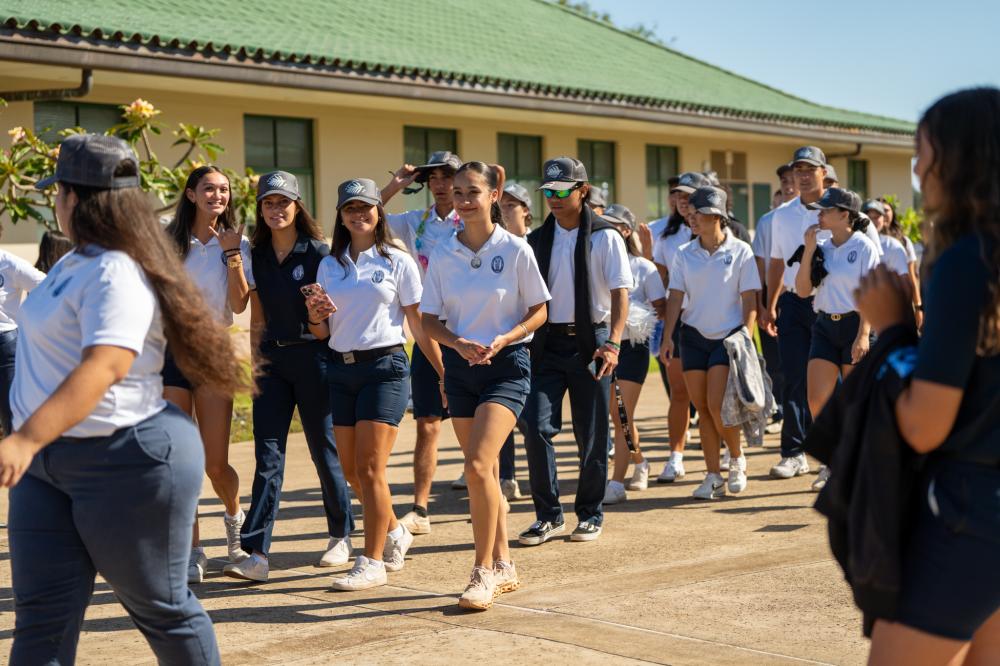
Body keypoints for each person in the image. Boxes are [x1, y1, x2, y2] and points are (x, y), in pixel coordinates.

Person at [4, 133, 233, 664]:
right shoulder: (72, 264)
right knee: (40, 616)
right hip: (46, 468)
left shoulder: (118, 270)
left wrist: (23, 439)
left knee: (162, 608)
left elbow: (106, 365)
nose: (54, 202)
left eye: (57, 192)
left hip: (126, 458)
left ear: (76, 199)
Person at [857, 87, 1000, 666]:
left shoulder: (969, 261)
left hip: (972, 514)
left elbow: (924, 425)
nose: (916, 169)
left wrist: (891, 329)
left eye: (923, 151)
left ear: (960, 157)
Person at [421, 161, 550, 609]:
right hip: (461, 370)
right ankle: (505, 563)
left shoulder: (516, 249)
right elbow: (428, 320)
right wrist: (456, 344)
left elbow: (540, 310)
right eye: (457, 192)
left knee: (477, 466)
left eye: (472, 191)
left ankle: (481, 572)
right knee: (485, 472)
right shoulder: (443, 253)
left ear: (494, 195)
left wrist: (508, 337)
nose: (463, 200)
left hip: (507, 366)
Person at [223, 171, 355, 583]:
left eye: (283, 202)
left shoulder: (318, 253)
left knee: (324, 450)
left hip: (315, 359)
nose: (276, 209)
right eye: (268, 202)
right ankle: (257, 553)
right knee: (268, 456)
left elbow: (330, 315)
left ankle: (341, 534)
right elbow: (252, 312)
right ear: (260, 209)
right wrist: (255, 365)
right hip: (271, 362)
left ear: (298, 206)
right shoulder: (257, 254)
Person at [304, 178, 429, 590]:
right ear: (340, 216)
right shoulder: (330, 264)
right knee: (353, 472)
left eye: (365, 207)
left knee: (372, 468)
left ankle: (371, 561)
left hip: (385, 368)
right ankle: (395, 531)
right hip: (341, 370)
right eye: (350, 208)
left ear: (379, 212)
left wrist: (444, 374)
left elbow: (418, 323)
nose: (358, 215)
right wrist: (314, 316)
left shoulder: (397, 260)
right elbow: (322, 332)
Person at [519, 157, 631, 546]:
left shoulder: (605, 236)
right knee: (534, 425)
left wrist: (613, 342)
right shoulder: (536, 240)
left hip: (592, 341)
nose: (554, 197)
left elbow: (620, 292)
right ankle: (548, 515)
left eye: (562, 190)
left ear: (583, 191)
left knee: (592, 434)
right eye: (548, 191)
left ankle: (590, 513)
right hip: (546, 342)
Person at [164, 165, 253, 583]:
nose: (218, 195)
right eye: (209, 189)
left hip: (215, 352)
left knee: (216, 464)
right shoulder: (168, 240)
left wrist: (232, 255)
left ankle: (234, 524)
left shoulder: (237, 243)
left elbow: (238, 304)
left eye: (224, 189)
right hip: (172, 353)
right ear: (191, 194)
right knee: (180, 461)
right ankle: (193, 549)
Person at [659, 187, 760, 499]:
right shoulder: (684, 253)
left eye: (698, 214)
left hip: (728, 339)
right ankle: (713, 475)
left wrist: (745, 337)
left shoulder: (741, 251)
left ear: (717, 216)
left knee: (718, 406)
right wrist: (667, 337)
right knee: (702, 408)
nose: (691, 219)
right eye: (690, 214)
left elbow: (750, 299)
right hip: (692, 336)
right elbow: (675, 297)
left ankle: (737, 459)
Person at [380, 151, 456, 533]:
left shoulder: (473, 219)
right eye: (434, 178)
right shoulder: (416, 221)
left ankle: (490, 489)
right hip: (428, 330)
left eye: (448, 177)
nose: (441, 185)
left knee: (475, 422)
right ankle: (421, 509)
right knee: (427, 422)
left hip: (468, 328)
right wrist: (397, 184)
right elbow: (368, 214)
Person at [796, 189, 878, 492]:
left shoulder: (864, 246)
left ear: (845, 214)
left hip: (856, 324)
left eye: (826, 210)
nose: (819, 214)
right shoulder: (821, 246)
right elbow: (802, 291)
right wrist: (808, 250)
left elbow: (871, 293)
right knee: (816, 399)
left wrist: (863, 335)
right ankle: (831, 462)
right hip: (824, 327)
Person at [763, 146, 827, 480]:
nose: (802, 176)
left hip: (829, 304)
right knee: (792, 378)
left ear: (823, 173)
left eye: (809, 169)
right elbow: (776, 262)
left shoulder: (838, 210)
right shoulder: (782, 215)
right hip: (792, 303)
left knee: (827, 383)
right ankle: (793, 453)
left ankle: (830, 457)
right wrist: (770, 304)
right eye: (798, 170)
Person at [601, 204, 666, 504]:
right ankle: (640, 461)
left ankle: (616, 483)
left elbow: (661, 307)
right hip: (604, 345)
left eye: (612, 224)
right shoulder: (596, 260)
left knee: (622, 414)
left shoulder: (643, 267)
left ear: (626, 231)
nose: (605, 229)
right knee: (616, 416)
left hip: (634, 347)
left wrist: (638, 315)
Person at [650, 172, 708, 482]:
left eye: (688, 195)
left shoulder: (721, 234)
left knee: (712, 396)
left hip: (711, 321)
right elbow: (660, 278)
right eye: (678, 195)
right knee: (680, 392)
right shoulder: (666, 235)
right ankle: (676, 457)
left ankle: (729, 453)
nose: (682, 200)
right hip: (677, 321)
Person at [752, 164, 798, 436]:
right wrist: (762, 302)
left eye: (793, 179)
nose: (789, 185)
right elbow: (761, 263)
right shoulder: (768, 221)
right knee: (774, 358)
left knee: (799, 359)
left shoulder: (817, 215)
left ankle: (799, 413)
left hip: (803, 294)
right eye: (784, 181)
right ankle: (780, 408)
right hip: (773, 294)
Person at [497, 182, 534, 500]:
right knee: (501, 415)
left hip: (534, 341)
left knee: (531, 419)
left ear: (526, 211)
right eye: (502, 205)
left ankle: (540, 473)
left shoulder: (536, 245)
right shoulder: (493, 246)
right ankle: (506, 476)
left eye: (512, 205)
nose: (505, 211)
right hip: (502, 342)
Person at [0, 247, 45, 436]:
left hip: (5, 346)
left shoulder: (9, 263)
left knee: (12, 415)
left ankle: (16, 453)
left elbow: (48, 286)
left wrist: (28, 319)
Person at [864, 199, 923, 327]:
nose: (873, 221)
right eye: (870, 217)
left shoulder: (898, 243)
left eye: (878, 216)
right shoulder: (856, 242)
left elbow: (911, 277)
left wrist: (917, 307)